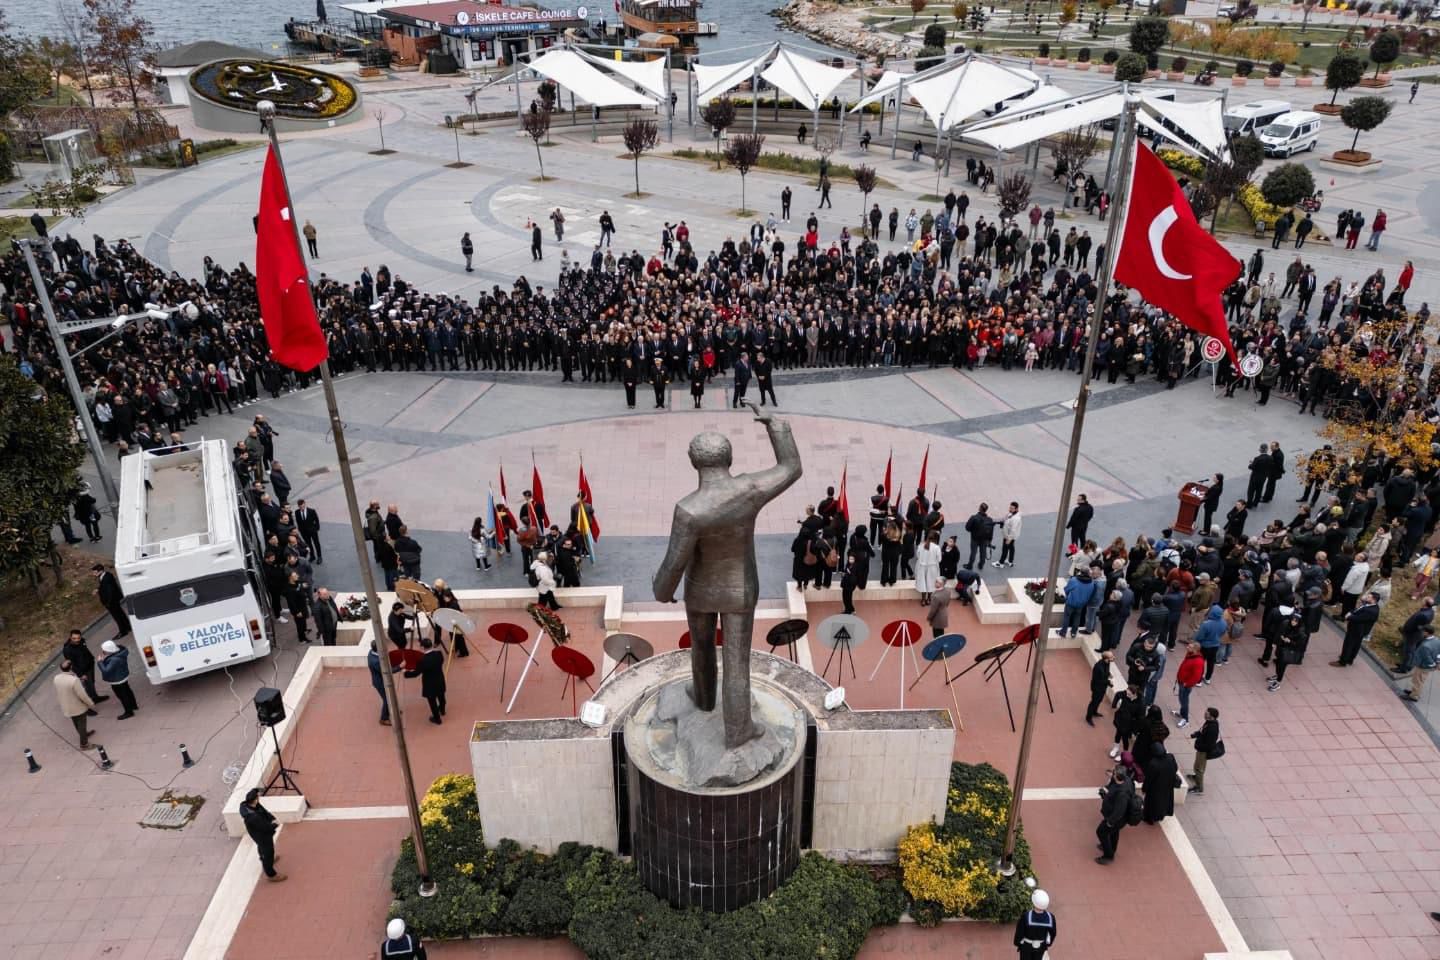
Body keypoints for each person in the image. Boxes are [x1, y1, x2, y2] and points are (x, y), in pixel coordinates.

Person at [239, 788, 285, 882]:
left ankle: (263, 857)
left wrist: (272, 818)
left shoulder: (252, 805)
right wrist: (275, 824)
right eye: (258, 797)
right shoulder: (253, 817)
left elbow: (264, 811)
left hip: (261, 832)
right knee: (268, 852)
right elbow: (265, 827)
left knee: (262, 847)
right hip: (261, 835)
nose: (259, 798)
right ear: (255, 800)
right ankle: (271, 874)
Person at [1095, 765, 1136, 864]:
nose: (1112, 773)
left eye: (1113, 773)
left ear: (1116, 776)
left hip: (1115, 819)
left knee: (1101, 832)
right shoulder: (1127, 780)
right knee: (1114, 832)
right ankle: (1111, 847)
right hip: (1116, 817)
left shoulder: (1122, 794)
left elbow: (1119, 812)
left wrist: (1110, 822)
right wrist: (1105, 791)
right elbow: (1111, 787)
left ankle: (1108, 856)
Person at [404, 636, 447, 724]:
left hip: (429, 684)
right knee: (441, 697)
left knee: (432, 702)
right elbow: (440, 662)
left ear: (423, 647)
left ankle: (437, 719)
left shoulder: (422, 660)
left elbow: (416, 673)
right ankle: (442, 711)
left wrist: (405, 673)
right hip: (440, 680)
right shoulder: (439, 654)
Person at [53, 660, 96, 748]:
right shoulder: (74, 680)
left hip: (66, 706)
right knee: (82, 724)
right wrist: (91, 704)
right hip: (77, 706)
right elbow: (82, 695)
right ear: (71, 667)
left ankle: (83, 734)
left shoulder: (57, 678)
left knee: (75, 722)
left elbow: (66, 685)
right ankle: (84, 744)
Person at [1332, 591, 1380, 667]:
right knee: (1355, 645)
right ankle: (1349, 659)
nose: (1366, 597)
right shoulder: (1371, 605)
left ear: (1374, 600)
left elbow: (1359, 618)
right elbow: (1358, 610)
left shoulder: (1371, 611)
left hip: (1356, 630)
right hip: (1359, 630)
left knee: (1348, 645)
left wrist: (1348, 616)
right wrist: (1351, 612)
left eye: (1369, 597)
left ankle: (1342, 662)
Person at [61, 628, 106, 705]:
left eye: (78, 638)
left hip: (90, 666)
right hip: (83, 671)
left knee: (91, 682)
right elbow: (72, 664)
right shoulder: (67, 649)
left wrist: (91, 659)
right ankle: (90, 702)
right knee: (87, 686)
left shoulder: (82, 641)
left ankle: (94, 697)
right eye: (74, 638)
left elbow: (85, 650)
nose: (77, 640)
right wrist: (81, 674)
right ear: (70, 637)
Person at [98, 640, 138, 719]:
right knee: (127, 691)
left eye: (104, 651)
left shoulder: (114, 659)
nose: (103, 652)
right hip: (123, 676)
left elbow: (106, 671)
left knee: (122, 696)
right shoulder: (120, 652)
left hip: (117, 680)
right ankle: (134, 705)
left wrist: (100, 662)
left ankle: (129, 712)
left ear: (109, 651)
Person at [1013, 889, 1057, 960]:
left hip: (1026, 947)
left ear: (1034, 902)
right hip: (1041, 947)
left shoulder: (1026, 916)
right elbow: (1053, 933)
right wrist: (1048, 943)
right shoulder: (1051, 917)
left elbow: (1019, 933)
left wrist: (1017, 943)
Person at [1141, 742, 1179, 824]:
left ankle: (1150, 819)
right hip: (1167, 785)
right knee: (1164, 801)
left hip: (1155, 789)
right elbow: (1175, 768)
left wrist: (1144, 789)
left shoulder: (1153, 763)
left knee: (1152, 804)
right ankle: (1161, 815)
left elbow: (1149, 779)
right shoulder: (1170, 757)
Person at [93, 563, 131, 640]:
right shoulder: (105, 575)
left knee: (117, 616)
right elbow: (104, 586)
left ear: (100, 571)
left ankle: (123, 631)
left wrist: (108, 603)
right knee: (120, 614)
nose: (94, 574)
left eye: (95, 572)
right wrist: (98, 589)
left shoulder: (106, 578)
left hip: (112, 601)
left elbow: (110, 591)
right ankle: (127, 627)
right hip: (114, 600)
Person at [1399, 632, 1440, 702]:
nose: (1422, 633)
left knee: (1418, 681)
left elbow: (1427, 657)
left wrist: (1433, 664)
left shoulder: (1426, 645)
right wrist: (1437, 662)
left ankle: (1414, 696)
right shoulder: (1436, 640)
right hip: (1425, 666)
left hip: (1423, 666)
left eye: (1423, 632)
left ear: (1426, 632)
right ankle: (1414, 691)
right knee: (1417, 679)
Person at [1188, 707, 1221, 793]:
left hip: (1203, 751)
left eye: (1206, 714)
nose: (1204, 714)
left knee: (1199, 768)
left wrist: (1200, 747)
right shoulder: (1209, 722)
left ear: (1212, 716)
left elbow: (1209, 744)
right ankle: (1196, 777)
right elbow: (1202, 731)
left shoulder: (1212, 728)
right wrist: (1195, 735)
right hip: (1201, 749)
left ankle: (1199, 787)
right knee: (1197, 766)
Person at [1173, 642, 1205, 727]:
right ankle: (1182, 713)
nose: (1187, 647)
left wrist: (1187, 684)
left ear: (1195, 649)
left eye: (1190, 647)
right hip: (1182, 682)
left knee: (1184, 701)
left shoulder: (1198, 661)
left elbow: (1196, 676)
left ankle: (1185, 720)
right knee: (1181, 698)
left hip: (1185, 685)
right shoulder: (1190, 654)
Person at [1086, 650, 1113, 726]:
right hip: (1097, 688)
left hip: (1102, 687)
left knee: (1099, 700)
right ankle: (1088, 717)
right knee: (1094, 702)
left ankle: (1094, 712)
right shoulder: (1098, 667)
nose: (1113, 657)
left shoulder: (1107, 662)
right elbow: (1098, 680)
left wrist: (1108, 674)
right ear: (1106, 658)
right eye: (1111, 657)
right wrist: (1109, 682)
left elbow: (1105, 672)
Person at [914, 532, 942, 605]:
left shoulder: (921, 545)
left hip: (922, 567)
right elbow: (939, 559)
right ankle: (929, 599)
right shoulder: (936, 547)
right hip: (932, 567)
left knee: (922, 583)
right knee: (931, 583)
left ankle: (923, 600)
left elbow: (917, 555)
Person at [368, 641, 391, 725]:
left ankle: (391, 709)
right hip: (380, 683)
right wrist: (400, 667)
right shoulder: (376, 661)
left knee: (389, 697)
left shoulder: (371, 652)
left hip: (380, 680)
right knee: (387, 699)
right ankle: (383, 718)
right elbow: (387, 671)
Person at [294, 499, 322, 563]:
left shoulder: (311, 511)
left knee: (316, 543)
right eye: (300, 506)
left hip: (312, 531)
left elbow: (316, 520)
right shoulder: (297, 512)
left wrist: (316, 528)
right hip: (304, 532)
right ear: (298, 506)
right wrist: (300, 530)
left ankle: (319, 557)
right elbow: (298, 522)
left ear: (304, 504)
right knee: (308, 544)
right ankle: (312, 556)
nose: (301, 507)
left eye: (302, 505)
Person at [996, 501, 1021, 568]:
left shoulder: (1016, 518)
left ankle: (1000, 563)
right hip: (1011, 536)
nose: (1010, 509)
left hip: (1009, 536)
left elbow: (1013, 530)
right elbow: (1006, 520)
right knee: (1011, 547)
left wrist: (1009, 539)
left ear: (1016, 509)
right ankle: (1010, 561)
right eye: (1010, 507)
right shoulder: (1011, 514)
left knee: (1005, 549)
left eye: (1012, 508)